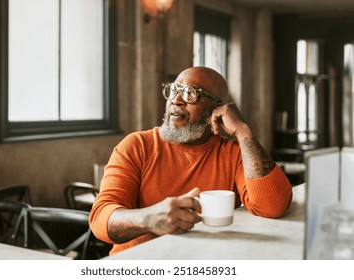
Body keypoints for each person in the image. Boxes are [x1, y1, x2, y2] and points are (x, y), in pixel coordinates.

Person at [89, 66, 293, 255]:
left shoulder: (234, 153)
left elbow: (272, 207)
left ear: (217, 108)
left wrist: (242, 131)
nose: (176, 100)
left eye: (190, 94)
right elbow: (100, 220)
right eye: (173, 90)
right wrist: (149, 219)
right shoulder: (137, 145)